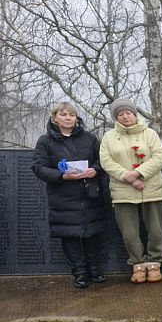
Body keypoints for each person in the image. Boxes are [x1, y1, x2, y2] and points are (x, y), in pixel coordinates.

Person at [31, 102, 108, 288]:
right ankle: (79, 272)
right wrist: (61, 175)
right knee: (70, 235)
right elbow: (38, 167)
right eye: (63, 114)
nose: (68, 118)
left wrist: (95, 170)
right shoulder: (45, 141)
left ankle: (93, 268)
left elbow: (103, 160)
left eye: (71, 115)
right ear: (54, 117)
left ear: (76, 118)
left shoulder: (89, 138)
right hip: (63, 195)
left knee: (92, 232)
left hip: (90, 193)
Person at [99, 98, 162, 283]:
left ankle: (154, 263)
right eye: (120, 114)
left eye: (128, 112)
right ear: (116, 117)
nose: (125, 116)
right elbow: (106, 161)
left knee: (155, 230)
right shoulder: (108, 137)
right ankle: (137, 263)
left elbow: (159, 157)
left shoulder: (150, 134)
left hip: (151, 189)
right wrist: (127, 176)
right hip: (123, 192)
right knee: (129, 233)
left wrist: (138, 173)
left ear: (135, 114)